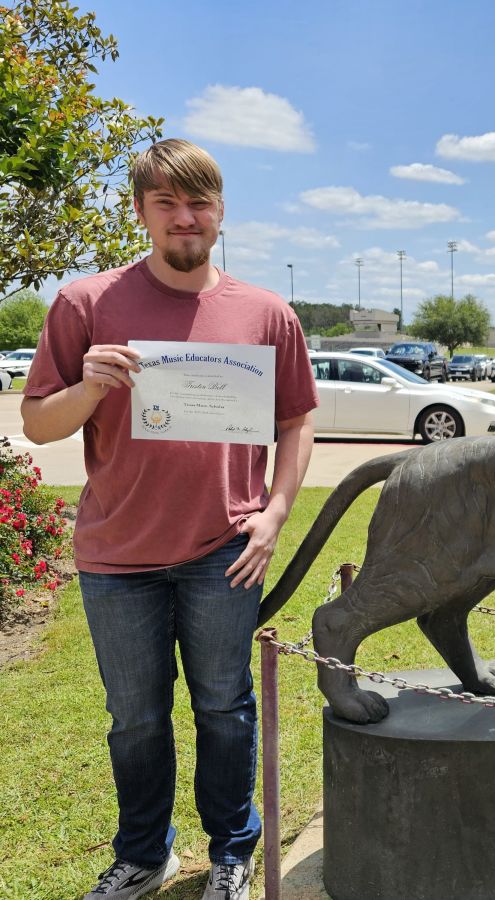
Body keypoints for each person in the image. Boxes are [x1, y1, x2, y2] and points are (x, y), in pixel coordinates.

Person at [21, 139, 317, 900]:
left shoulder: (265, 311)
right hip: (118, 556)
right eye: (167, 204)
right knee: (137, 721)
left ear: (220, 211)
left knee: (226, 709)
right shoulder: (86, 303)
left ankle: (231, 852)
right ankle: (144, 855)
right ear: (142, 212)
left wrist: (276, 512)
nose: (185, 218)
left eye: (199, 203)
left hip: (226, 550)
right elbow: (39, 426)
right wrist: (87, 387)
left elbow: (295, 422)